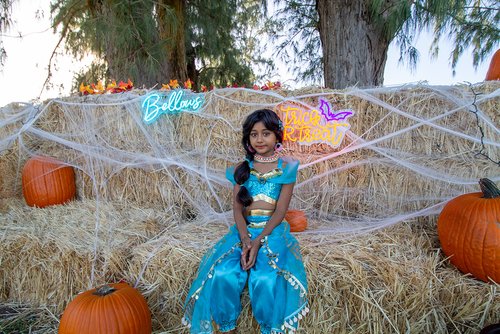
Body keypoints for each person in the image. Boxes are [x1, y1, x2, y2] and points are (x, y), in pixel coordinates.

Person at [182, 109, 309, 334]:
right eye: (254, 134)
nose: (260, 139)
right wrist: (245, 240)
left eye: (266, 133)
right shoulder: (241, 171)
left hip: (271, 231)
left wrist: (258, 240)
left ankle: (269, 328)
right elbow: (237, 210)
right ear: (247, 138)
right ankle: (227, 327)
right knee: (223, 272)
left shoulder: (286, 169)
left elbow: (280, 212)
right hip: (244, 231)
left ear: (277, 136)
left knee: (265, 277)